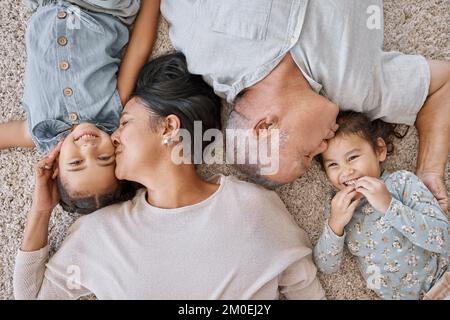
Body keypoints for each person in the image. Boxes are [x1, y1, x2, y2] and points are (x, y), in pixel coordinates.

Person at [13, 53, 325, 300]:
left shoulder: (255, 209)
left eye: (125, 123)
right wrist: (41, 212)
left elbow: (307, 292)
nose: (114, 137)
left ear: (169, 128)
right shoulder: (100, 233)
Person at [158, 0, 450, 212]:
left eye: (306, 154)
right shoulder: (360, 92)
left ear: (266, 127)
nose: (325, 149)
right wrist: (430, 172)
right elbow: (442, 87)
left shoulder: (203, 47)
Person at [0, 0, 160, 213]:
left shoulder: (38, 133)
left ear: (56, 168)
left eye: (76, 162)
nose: (88, 149)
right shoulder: (113, 110)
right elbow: (138, 49)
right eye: (103, 158)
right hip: (100, 10)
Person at [313, 111, 449, 300]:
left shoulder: (401, 182)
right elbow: (326, 266)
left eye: (352, 158)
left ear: (379, 150)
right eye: (333, 165)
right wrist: (335, 225)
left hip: (443, 281)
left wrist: (389, 205)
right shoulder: (338, 208)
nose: (345, 171)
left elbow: (443, 238)